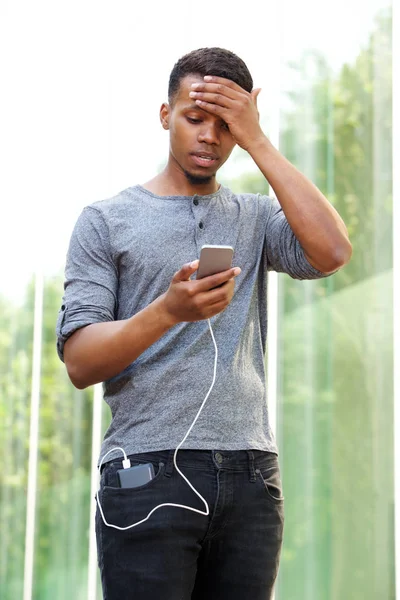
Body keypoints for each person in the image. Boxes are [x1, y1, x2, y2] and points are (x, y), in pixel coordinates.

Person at [56, 47, 352, 600]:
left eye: (227, 125)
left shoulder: (258, 216)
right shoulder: (105, 221)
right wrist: (170, 311)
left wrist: (259, 139)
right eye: (195, 119)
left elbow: (333, 251)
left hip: (251, 478)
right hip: (145, 473)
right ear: (166, 115)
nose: (209, 137)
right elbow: (80, 361)